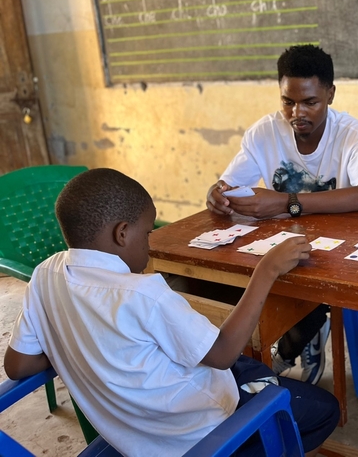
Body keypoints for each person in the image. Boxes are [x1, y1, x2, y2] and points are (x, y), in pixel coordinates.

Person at [4, 168, 339, 457]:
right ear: (122, 233)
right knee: (324, 410)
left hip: (133, 432)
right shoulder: (142, 292)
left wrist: (82, 342)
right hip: (194, 433)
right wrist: (265, 271)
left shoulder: (45, 275)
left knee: (248, 364)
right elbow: (221, 353)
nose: (149, 243)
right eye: (147, 232)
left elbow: (17, 364)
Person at [207, 44, 358, 385]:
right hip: (280, 244)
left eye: (310, 102)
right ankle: (279, 345)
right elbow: (228, 184)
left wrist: (286, 202)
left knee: (309, 275)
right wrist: (217, 195)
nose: (296, 112)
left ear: (330, 94)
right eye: (288, 101)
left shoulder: (351, 133)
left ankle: (287, 349)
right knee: (233, 274)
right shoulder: (264, 133)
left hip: (337, 251)